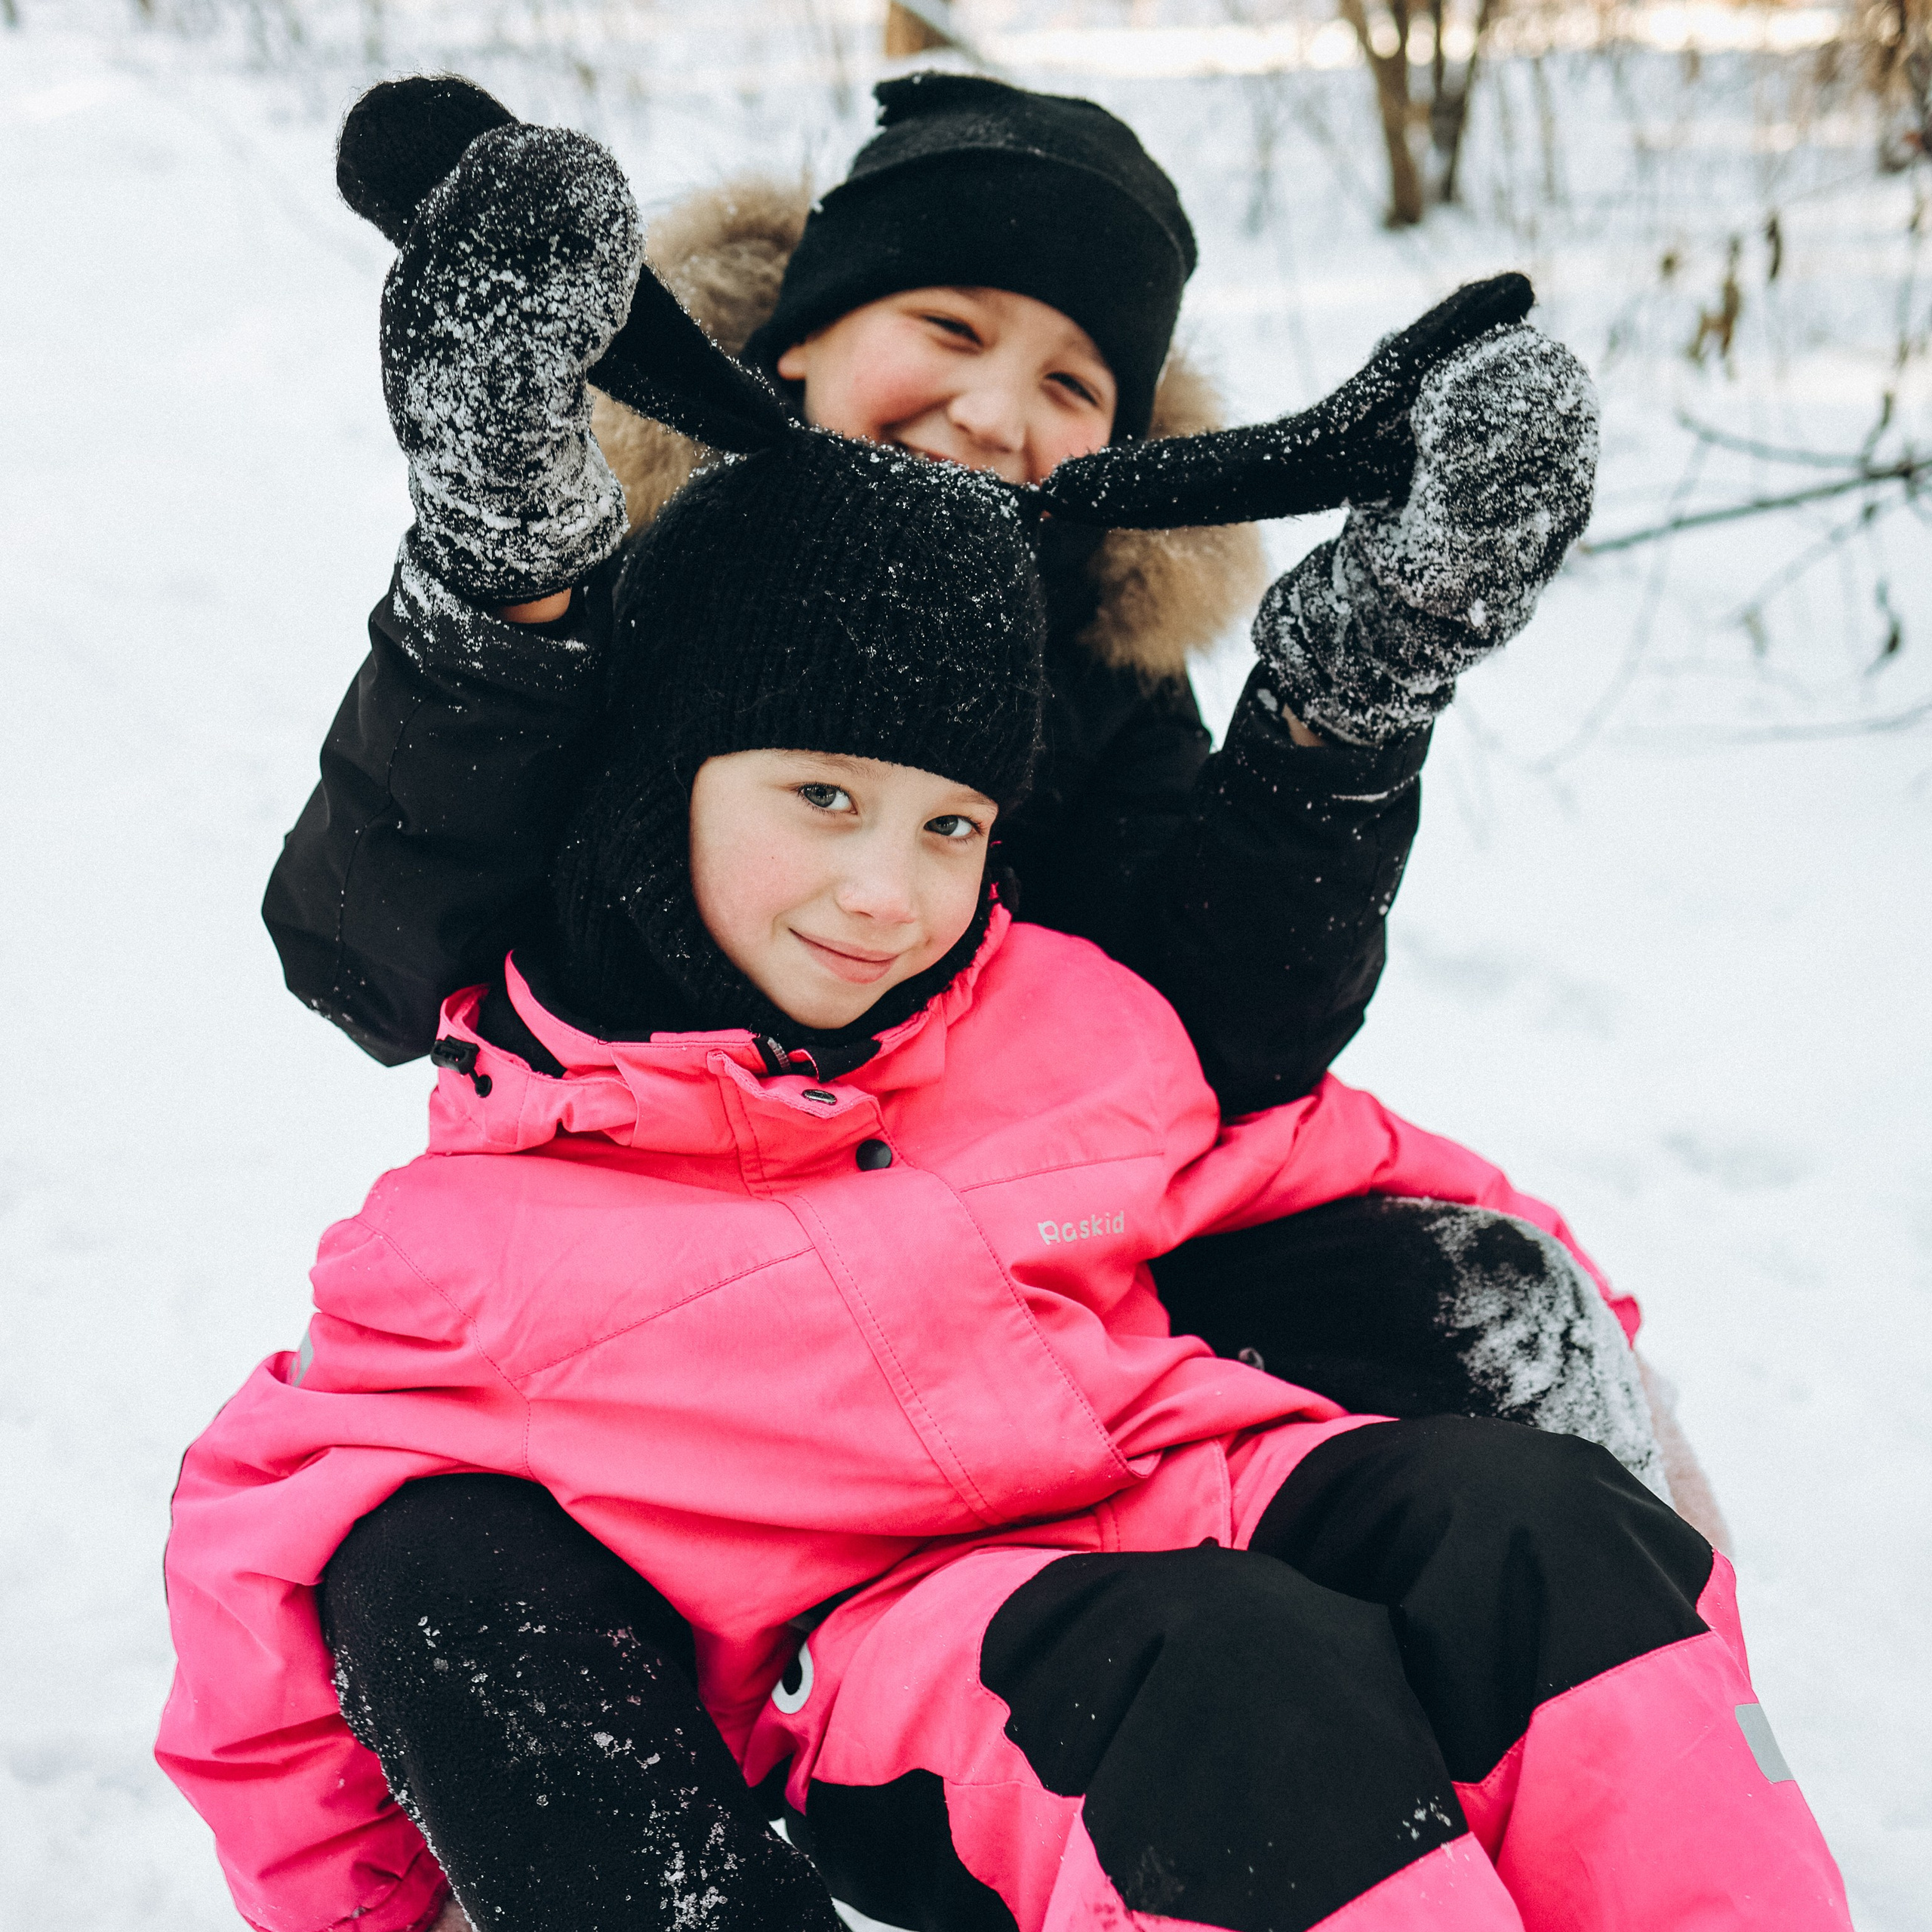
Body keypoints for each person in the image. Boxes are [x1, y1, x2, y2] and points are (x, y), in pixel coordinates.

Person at [158, 198, 1848, 1926]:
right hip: (902, 1642)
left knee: (1524, 1529)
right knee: (1222, 1678)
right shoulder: (521, 1185)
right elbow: (288, 1524)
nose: (886, 889)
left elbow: (1286, 1118)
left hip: (1166, 1482)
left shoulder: (1052, 982)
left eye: (951, 824)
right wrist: (377, 1895)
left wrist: (1595, 1395)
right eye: (951, 332)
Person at [264, 72, 1727, 1526]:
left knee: (1497, 1314)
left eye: (1069, 384)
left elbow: (1216, 1040)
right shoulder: (619, 584)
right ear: (796, 338)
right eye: (948, 328)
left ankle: (1617, 1712)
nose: (988, 410)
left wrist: (1344, 703)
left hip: (1015, 1265)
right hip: (640, 1287)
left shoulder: (1089, 657)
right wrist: (498, 592)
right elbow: (366, 954)